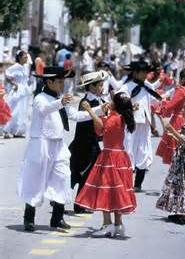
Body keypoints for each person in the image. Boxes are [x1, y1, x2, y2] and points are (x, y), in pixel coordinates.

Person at [18, 67, 105, 232]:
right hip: (41, 144)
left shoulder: (59, 100)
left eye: (63, 81)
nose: (62, 84)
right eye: (59, 81)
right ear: (49, 82)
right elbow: (44, 109)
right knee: (35, 182)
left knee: (63, 178)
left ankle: (57, 219)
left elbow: (77, 116)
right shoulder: (40, 98)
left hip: (58, 145)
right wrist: (60, 102)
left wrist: (100, 109)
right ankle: (28, 219)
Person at [75, 92, 137, 238]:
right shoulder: (120, 117)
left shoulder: (115, 118)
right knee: (116, 190)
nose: (109, 101)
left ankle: (107, 224)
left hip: (110, 157)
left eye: (112, 100)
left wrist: (90, 110)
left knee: (106, 189)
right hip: (120, 156)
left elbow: (102, 128)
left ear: (116, 104)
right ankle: (118, 224)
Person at [118, 60, 162, 192]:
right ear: (135, 73)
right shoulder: (127, 87)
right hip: (132, 122)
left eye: (146, 72)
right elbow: (119, 99)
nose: (145, 75)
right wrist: (130, 105)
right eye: (143, 72)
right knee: (129, 149)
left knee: (144, 151)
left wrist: (169, 95)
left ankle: (138, 184)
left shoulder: (147, 85)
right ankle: (126, 182)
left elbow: (155, 99)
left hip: (145, 122)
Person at [69, 70, 108, 213]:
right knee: (78, 174)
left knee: (85, 174)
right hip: (84, 143)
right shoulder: (86, 102)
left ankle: (79, 204)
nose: (102, 88)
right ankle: (67, 202)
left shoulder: (99, 100)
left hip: (92, 143)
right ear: (91, 87)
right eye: (100, 85)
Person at [156, 99, 185, 225]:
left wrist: (173, 131)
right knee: (179, 185)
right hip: (181, 159)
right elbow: (177, 137)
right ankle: (180, 212)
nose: (183, 110)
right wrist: (164, 121)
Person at [154, 68, 185, 164]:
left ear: (183, 79)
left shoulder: (181, 90)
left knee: (176, 154)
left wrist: (162, 104)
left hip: (178, 121)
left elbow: (171, 105)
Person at [4, 51, 32, 138]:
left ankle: (17, 131)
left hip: (24, 92)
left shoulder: (25, 67)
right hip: (17, 91)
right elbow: (7, 75)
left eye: (26, 57)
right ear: (19, 58)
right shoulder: (15, 67)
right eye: (25, 57)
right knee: (14, 111)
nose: (26, 59)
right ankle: (7, 130)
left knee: (22, 112)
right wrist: (14, 84)